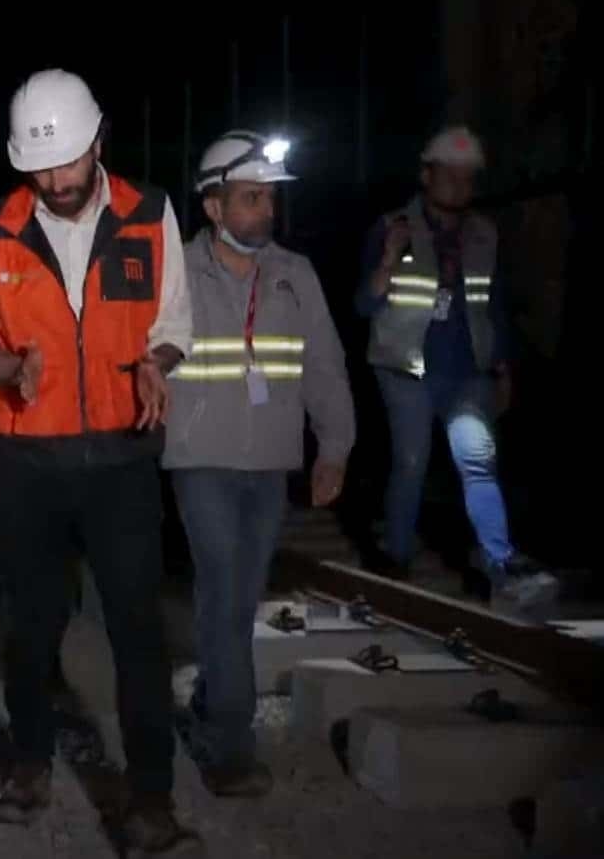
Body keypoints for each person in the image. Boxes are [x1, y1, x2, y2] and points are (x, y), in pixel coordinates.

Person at [0, 69, 192, 851]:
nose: (55, 181)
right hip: (25, 459)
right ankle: (30, 761)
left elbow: (174, 322)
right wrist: (7, 368)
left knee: (137, 628)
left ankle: (152, 796)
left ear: (100, 142)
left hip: (123, 459)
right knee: (30, 625)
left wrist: (158, 360)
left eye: (66, 162)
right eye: (39, 167)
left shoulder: (152, 213)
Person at [165, 130, 356, 796]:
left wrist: (334, 447)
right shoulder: (176, 272)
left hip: (271, 463)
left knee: (241, 598)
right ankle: (229, 747)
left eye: (269, 198)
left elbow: (324, 364)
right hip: (200, 460)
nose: (265, 210)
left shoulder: (293, 273)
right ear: (213, 207)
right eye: (250, 198)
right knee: (222, 589)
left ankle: (212, 701)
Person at [355, 125, 558, 616]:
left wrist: (503, 368)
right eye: (450, 176)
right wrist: (388, 257)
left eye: (468, 178)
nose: (460, 187)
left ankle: (497, 563)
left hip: (467, 373)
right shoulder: (393, 225)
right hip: (405, 368)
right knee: (412, 461)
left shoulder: (484, 234)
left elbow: (494, 305)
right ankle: (397, 558)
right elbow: (364, 303)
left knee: (478, 462)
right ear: (427, 175)